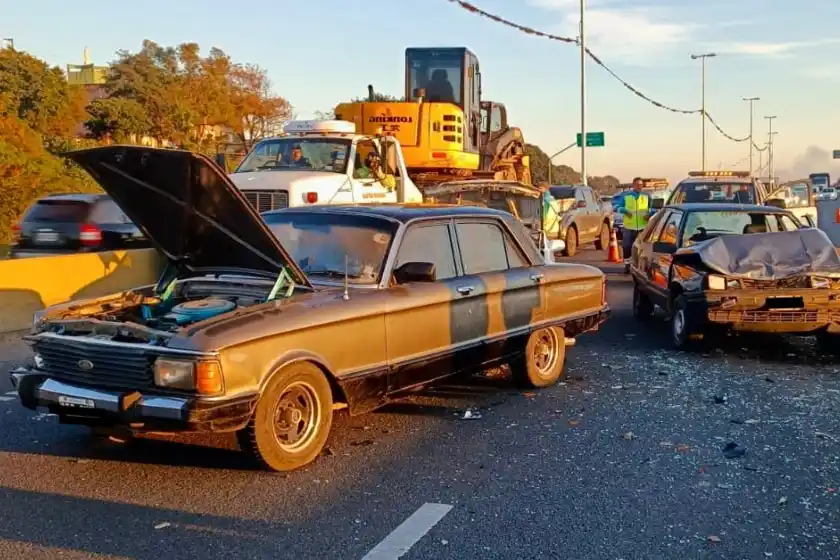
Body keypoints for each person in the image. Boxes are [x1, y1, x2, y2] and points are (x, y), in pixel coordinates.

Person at [615, 177, 653, 273]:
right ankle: (627, 265)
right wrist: (624, 211)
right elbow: (617, 207)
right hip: (629, 226)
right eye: (637, 185)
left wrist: (649, 214)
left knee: (642, 249)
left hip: (643, 227)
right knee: (627, 246)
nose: (639, 187)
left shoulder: (646, 196)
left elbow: (653, 209)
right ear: (633, 186)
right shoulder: (626, 196)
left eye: (641, 185)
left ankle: (641, 267)